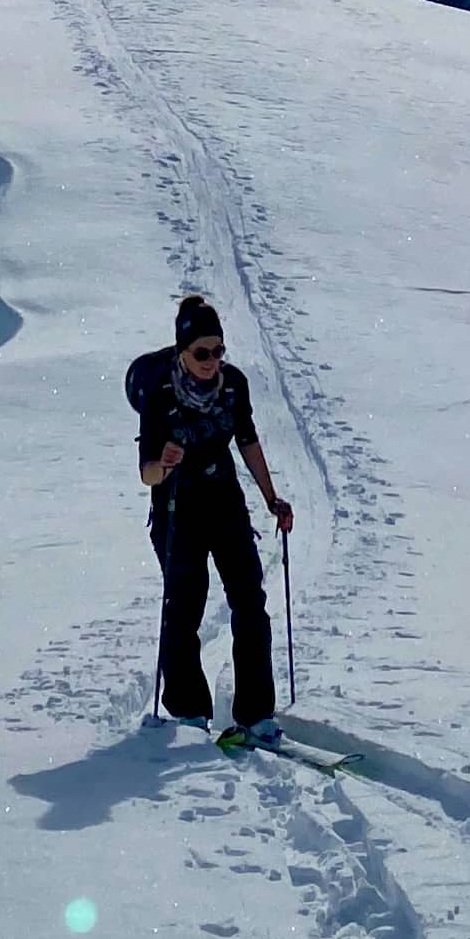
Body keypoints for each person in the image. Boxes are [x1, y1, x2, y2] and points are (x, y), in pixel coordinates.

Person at [136, 292, 291, 735]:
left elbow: (247, 440)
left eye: (218, 350)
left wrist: (271, 498)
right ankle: (188, 711)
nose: (211, 360)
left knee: (250, 601)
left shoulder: (233, 385)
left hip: (223, 499)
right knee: (184, 606)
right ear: (182, 352)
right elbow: (145, 473)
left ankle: (257, 714)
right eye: (201, 352)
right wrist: (162, 464)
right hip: (175, 508)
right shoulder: (160, 392)